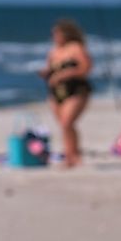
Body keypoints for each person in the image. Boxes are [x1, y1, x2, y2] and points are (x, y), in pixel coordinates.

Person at [39, 19, 92, 167]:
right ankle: (71, 154)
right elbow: (50, 69)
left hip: (76, 89)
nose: (54, 36)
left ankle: (72, 155)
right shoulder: (53, 51)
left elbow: (86, 68)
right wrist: (46, 73)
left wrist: (66, 74)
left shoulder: (76, 48)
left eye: (57, 33)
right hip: (56, 92)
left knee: (67, 122)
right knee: (64, 125)